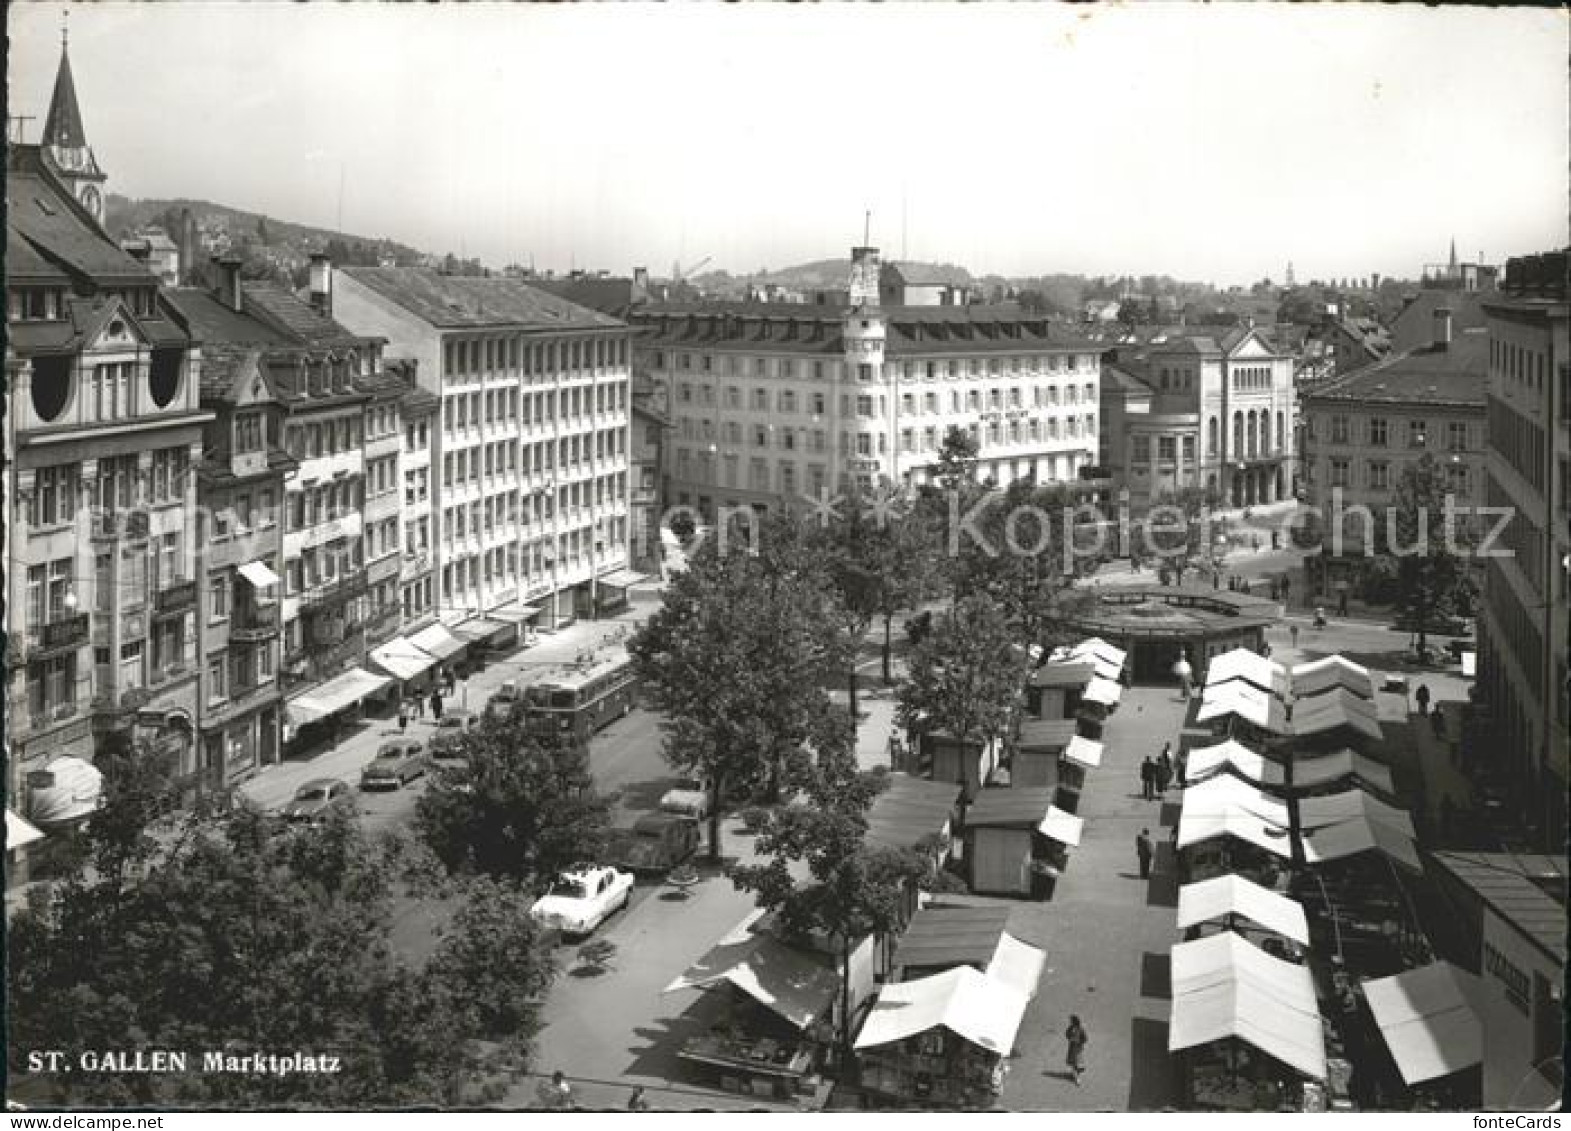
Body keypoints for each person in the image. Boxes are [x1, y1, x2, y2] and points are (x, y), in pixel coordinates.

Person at [1064, 1016, 1088, 1085]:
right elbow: (1066, 1034)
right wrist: (1070, 1038)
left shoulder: (1080, 1028)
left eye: (1071, 1021)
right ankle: (1075, 1075)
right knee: (1073, 1062)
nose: (1070, 1022)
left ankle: (1077, 1077)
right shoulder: (1071, 1027)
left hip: (1078, 1047)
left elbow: (1085, 1038)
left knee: (1077, 1062)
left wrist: (1079, 1042)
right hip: (1072, 1047)